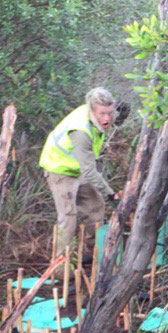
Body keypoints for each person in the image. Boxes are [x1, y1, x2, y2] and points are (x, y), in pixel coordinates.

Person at [38, 88, 121, 257]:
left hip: (77, 166)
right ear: (91, 109)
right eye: (102, 114)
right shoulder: (81, 132)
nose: (107, 118)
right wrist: (111, 195)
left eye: (110, 113)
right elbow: (89, 172)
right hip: (59, 168)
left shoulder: (102, 116)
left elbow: (117, 115)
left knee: (95, 206)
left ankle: (90, 255)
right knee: (68, 216)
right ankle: (62, 268)